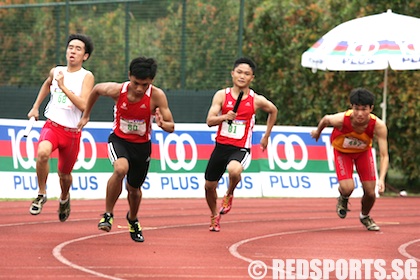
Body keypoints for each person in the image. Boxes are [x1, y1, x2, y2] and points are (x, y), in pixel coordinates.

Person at [77, 57, 174, 242]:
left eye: (144, 85)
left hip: (142, 146)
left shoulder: (157, 96)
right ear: (129, 76)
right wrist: (86, 115)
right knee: (121, 169)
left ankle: (133, 219)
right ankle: (107, 214)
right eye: (135, 83)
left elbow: (172, 127)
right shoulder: (117, 90)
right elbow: (96, 90)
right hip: (119, 140)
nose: (139, 89)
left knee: (134, 189)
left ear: (151, 81)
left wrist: (162, 124)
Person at [204, 57, 278, 232]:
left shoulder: (256, 100)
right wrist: (224, 117)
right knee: (209, 186)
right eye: (239, 72)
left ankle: (229, 193)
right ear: (232, 74)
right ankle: (214, 215)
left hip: (241, 148)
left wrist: (266, 136)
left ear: (252, 78)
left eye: (246, 74)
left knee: (234, 170)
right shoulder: (222, 95)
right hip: (221, 147)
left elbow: (273, 111)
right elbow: (209, 121)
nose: (242, 76)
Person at [27, 34, 94, 222]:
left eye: (78, 49)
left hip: (71, 133)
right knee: (42, 153)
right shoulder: (56, 71)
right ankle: (41, 193)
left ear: (85, 56)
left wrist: (64, 87)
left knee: (64, 175)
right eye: (70, 47)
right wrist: (35, 106)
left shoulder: (86, 77)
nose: (72, 51)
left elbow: (83, 105)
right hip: (52, 126)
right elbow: (47, 84)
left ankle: (64, 198)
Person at [310, 88, 389, 231]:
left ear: (371, 108)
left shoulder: (378, 126)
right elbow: (326, 119)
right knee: (348, 188)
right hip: (342, 152)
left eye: (364, 109)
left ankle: (365, 216)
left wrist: (382, 179)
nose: (359, 114)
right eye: (356, 109)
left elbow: (384, 155)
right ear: (351, 107)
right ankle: (343, 198)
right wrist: (317, 132)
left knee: (371, 193)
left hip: (363, 153)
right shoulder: (341, 119)